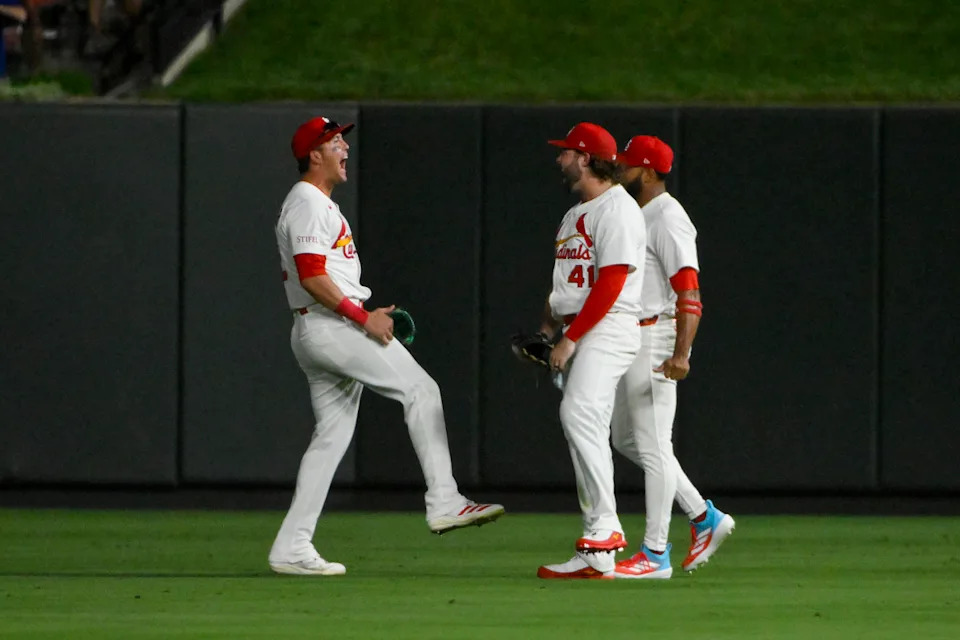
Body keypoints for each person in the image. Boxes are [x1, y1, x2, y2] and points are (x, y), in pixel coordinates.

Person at [270, 116, 504, 576]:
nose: (345, 148)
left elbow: (323, 276)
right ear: (313, 155)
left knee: (330, 440)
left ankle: (291, 547)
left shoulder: (317, 203)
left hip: (319, 327)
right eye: (335, 142)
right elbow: (312, 275)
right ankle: (444, 500)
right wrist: (362, 317)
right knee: (422, 390)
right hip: (331, 327)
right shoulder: (307, 203)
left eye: (343, 140)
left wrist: (364, 310)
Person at [608, 135, 735, 579]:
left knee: (653, 444)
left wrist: (682, 352)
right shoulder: (640, 213)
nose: (619, 169)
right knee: (627, 439)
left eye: (626, 164)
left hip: (657, 338)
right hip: (634, 336)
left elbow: (690, 292)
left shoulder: (668, 216)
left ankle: (655, 552)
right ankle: (703, 516)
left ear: (646, 170)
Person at [533, 123, 649, 579]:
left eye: (565, 152)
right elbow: (568, 282)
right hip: (580, 326)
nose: (559, 158)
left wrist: (571, 338)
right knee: (585, 425)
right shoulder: (575, 212)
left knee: (578, 413)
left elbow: (612, 281)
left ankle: (605, 529)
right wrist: (549, 325)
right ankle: (597, 553)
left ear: (584, 158)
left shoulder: (617, 209)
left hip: (608, 327)